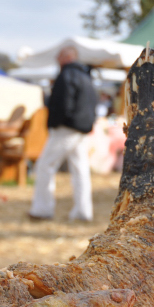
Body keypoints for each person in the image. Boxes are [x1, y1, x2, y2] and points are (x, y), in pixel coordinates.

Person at [28, 46, 97, 222]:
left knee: (45, 166)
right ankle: (83, 212)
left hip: (66, 128)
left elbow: (62, 104)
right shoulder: (86, 76)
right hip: (82, 129)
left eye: (59, 57)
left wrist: (54, 123)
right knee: (80, 170)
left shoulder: (66, 75)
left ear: (66, 57)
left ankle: (42, 209)